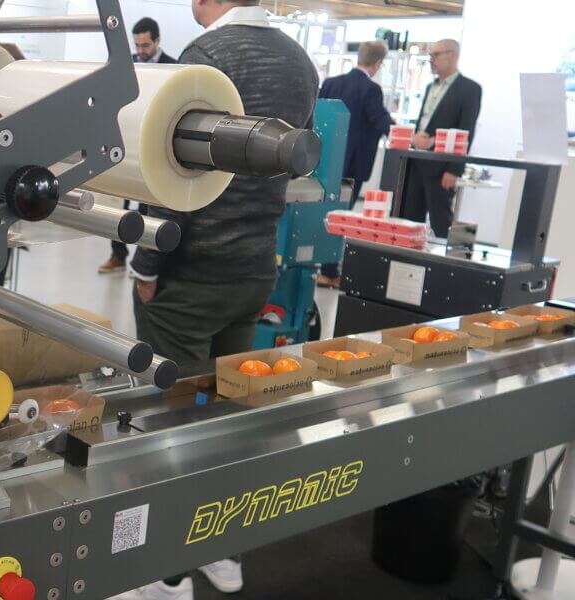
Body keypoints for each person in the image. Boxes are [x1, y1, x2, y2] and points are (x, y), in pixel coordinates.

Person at [118, 2, 318, 597]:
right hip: (253, 266)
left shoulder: (206, 57)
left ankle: (166, 572)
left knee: (171, 417)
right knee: (227, 414)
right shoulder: (300, 62)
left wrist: (147, 262)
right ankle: (223, 552)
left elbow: (169, 173)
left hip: (191, 274)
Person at [316, 40, 396, 287]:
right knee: (342, 216)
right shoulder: (371, 89)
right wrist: (408, 137)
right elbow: (381, 121)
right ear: (378, 63)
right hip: (353, 166)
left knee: (321, 211)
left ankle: (318, 267)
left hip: (325, 160)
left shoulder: (331, 83)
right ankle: (330, 271)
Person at [98, 17, 173, 274]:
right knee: (118, 204)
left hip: (154, 148)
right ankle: (117, 255)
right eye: (137, 45)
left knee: (148, 208)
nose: (140, 50)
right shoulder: (125, 64)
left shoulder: (173, 67)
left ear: (157, 40)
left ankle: (142, 262)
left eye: (145, 45)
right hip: (125, 142)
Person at [402, 39, 482, 238]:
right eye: (431, 55)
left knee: (441, 221)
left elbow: (466, 130)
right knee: (410, 220)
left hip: (441, 166)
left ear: (453, 55)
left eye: (436, 54)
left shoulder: (470, 89)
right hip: (417, 161)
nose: (432, 59)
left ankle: (452, 257)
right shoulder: (430, 87)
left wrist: (455, 169)